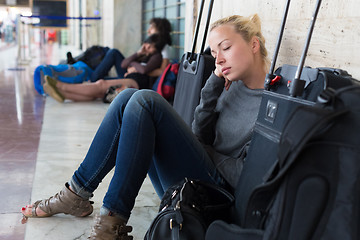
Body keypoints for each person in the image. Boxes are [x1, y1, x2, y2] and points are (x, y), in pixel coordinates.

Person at [21, 14, 269, 239]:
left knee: (144, 100)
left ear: (254, 45)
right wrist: (214, 82)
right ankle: (76, 193)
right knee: (126, 97)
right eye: (215, 54)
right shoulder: (230, 84)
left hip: (211, 200)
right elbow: (199, 134)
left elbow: (242, 175)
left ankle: (110, 223)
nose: (220, 60)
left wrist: (203, 150)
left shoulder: (272, 105)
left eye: (226, 48)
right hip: (189, 187)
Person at [43, 33, 165, 102]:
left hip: (138, 81)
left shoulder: (156, 56)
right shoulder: (143, 54)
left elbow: (144, 70)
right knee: (99, 93)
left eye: (150, 47)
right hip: (132, 78)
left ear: (157, 48)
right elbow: (124, 64)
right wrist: (138, 54)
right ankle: (64, 94)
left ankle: (61, 85)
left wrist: (133, 66)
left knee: (100, 85)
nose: (147, 49)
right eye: (146, 46)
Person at [89, 17, 172, 82]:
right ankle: (94, 79)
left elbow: (162, 71)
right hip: (132, 71)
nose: (148, 31)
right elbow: (124, 64)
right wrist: (137, 58)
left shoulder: (163, 47)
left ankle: (93, 79)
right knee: (113, 52)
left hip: (138, 76)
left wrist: (138, 70)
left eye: (152, 28)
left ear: (160, 30)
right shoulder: (148, 43)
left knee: (100, 80)